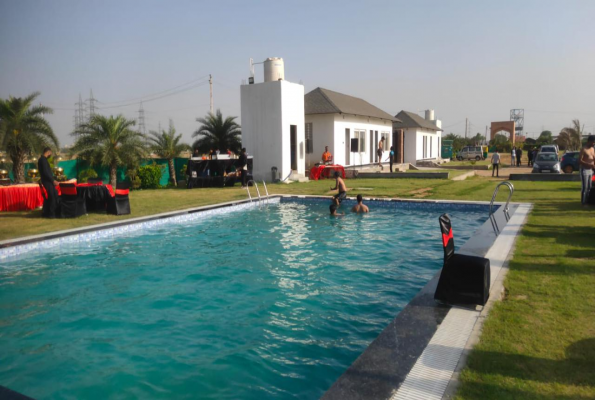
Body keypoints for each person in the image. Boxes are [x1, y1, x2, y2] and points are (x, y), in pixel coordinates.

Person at [38, 147, 59, 218]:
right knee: (52, 196)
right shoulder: (43, 160)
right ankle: (51, 214)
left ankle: (48, 211)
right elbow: (46, 172)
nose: (50, 154)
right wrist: (53, 180)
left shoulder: (43, 160)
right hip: (47, 181)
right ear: (48, 152)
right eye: (50, 153)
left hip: (48, 181)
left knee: (54, 194)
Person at [578, 135, 595, 205]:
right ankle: (583, 202)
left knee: (589, 187)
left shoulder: (592, 149)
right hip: (584, 170)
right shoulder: (584, 149)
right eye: (593, 142)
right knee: (585, 187)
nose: (593, 144)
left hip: (591, 170)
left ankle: (588, 201)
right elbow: (579, 160)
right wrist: (588, 164)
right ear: (589, 141)